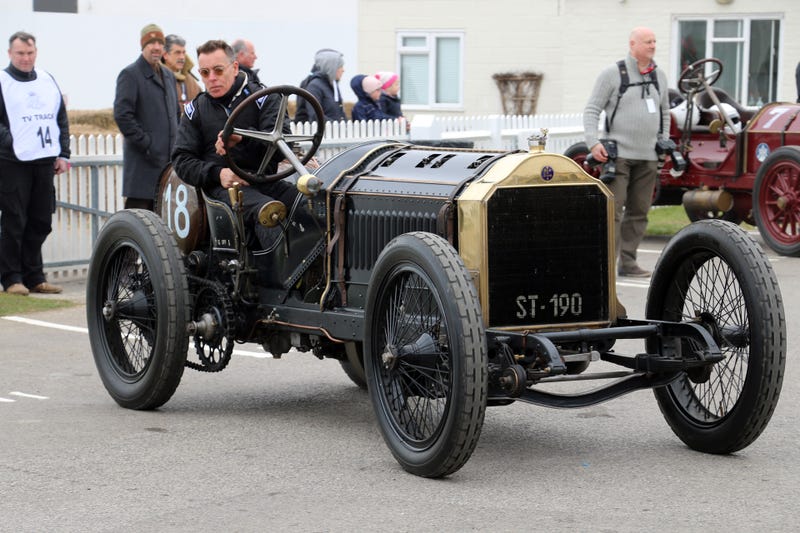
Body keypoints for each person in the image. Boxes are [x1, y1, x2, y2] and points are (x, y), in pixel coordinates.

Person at [172, 39, 296, 252]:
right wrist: (218, 174)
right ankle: (284, 282)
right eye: (204, 72)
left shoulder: (265, 99)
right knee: (268, 212)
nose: (212, 79)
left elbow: (281, 145)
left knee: (312, 206)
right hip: (224, 188)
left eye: (218, 71)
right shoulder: (196, 109)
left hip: (264, 180)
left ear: (235, 67)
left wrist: (242, 139)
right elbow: (182, 159)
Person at [583, 26, 669, 278]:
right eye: (647, 42)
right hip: (617, 155)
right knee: (613, 212)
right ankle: (606, 266)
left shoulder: (659, 76)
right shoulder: (612, 74)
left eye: (655, 41)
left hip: (648, 156)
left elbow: (664, 112)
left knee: (639, 212)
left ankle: (628, 263)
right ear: (633, 44)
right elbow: (591, 110)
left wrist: (663, 140)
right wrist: (592, 143)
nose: (653, 46)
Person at [0, 31, 70, 295]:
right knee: (14, 221)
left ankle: (34, 276)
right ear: (10, 54)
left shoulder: (46, 79)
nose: (25, 58)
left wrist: (64, 153)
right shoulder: (3, 81)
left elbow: (60, 119)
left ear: (36, 52)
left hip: (43, 161)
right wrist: (14, 142)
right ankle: (11, 278)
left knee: (41, 220)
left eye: (30, 53)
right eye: (20, 53)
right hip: (12, 163)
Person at [113, 23, 178, 210]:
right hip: (143, 167)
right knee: (137, 226)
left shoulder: (168, 75)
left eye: (160, 42)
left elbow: (176, 114)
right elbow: (123, 115)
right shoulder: (130, 75)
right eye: (151, 42)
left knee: (163, 226)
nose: (157, 47)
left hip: (167, 167)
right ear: (143, 45)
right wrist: (147, 144)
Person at [293, 48, 346, 123]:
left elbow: (340, 113)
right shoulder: (314, 86)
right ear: (330, 67)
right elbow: (315, 116)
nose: (343, 70)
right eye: (340, 66)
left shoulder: (332, 84)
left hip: (335, 132)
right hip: (324, 133)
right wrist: (336, 126)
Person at [162, 33, 202, 117]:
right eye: (177, 53)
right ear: (165, 55)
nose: (182, 57)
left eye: (184, 53)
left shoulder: (191, 81)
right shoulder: (157, 79)